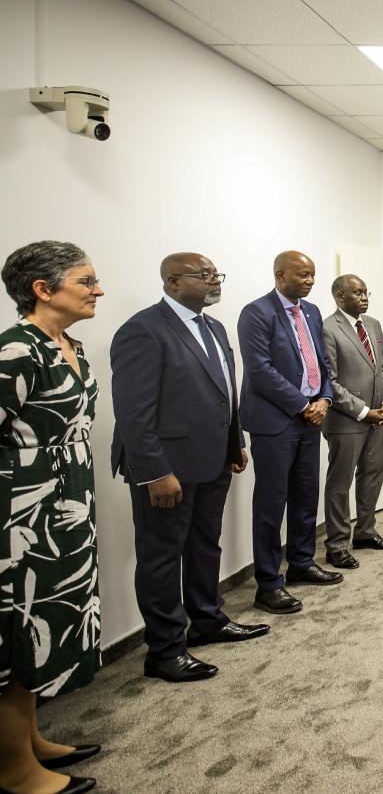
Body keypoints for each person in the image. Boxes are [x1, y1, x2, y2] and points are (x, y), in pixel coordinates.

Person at [110, 252, 269, 685]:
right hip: (167, 469)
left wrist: (235, 442)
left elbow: (224, 390)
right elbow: (133, 412)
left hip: (213, 458)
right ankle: (165, 650)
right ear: (173, 282)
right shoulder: (142, 329)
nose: (215, 280)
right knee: (161, 556)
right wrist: (154, 472)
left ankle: (207, 620)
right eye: (205, 275)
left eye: (217, 273)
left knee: (204, 544)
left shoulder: (213, 326)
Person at [1, 241, 104, 794]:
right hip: (20, 512)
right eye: (86, 281)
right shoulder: (17, 350)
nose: (98, 290)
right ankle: (14, 769)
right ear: (43, 289)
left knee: (49, 614)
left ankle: (29, 741)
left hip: (67, 504)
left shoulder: (69, 345)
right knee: (18, 629)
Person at [238, 250, 342, 616]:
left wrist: (324, 399)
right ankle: (268, 584)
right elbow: (260, 370)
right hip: (275, 421)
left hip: (311, 419)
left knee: (305, 494)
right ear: (280, 275)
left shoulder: (310, 312)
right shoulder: (256, 313)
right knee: (271, 503)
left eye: (312, 274)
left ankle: (301, 562)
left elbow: (323, 364)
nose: (310, 280)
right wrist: (302, 404)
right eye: (302, 275)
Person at [321, 275, 383, 572]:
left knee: (373, 473)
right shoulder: (328, 328)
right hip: (346, 420)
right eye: (357, 293)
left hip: (377, 417)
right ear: (340, 296)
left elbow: (382, 368)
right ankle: (337, 545)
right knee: (340, 483)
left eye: (366, 292)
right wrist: (364, 411)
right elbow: (330, 382)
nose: (364, 298)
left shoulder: (373, 325)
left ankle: (365, 532)